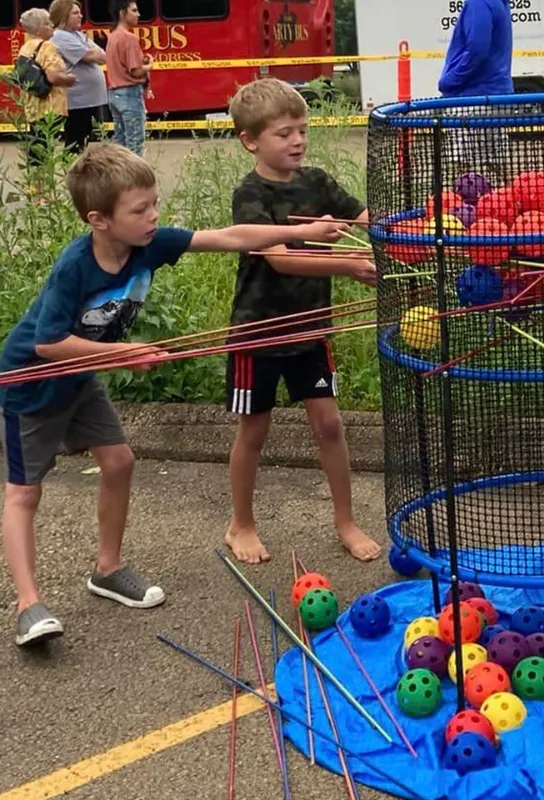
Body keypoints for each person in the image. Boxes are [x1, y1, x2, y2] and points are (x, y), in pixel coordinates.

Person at [0, 141, 352, 647]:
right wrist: (123, 353)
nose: (153, 216)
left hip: (80, 377)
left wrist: (301, 232)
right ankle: (28, 605)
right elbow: (48, 343)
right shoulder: (75, 266)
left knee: (119, 461)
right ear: (99, 220)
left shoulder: (150, 245)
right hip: (30, 383)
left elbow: (231, 236)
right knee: (24, 493)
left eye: (154, 204)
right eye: (139, 210)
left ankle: (107, 570)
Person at [223, 78, 381, 565]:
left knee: (330, 424)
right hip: (258, 333)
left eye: (302, 130)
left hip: (311, 329)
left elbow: (366, 217)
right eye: (284, 133)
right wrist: (350, 266)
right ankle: (240, 524)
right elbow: (280, 258)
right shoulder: (250, 194)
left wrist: (407, 229)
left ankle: (346, 521)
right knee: (254, 431)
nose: (297, 141)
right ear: (250, 141)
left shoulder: (316, 181)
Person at [438, 0, 514, 181]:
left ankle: (464, 200)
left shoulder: (479, 2)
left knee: (462, 168)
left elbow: (477, 49)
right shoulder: (497, 3)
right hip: (494, 94)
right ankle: (506, 196)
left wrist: (450, 80)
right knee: (496, 164)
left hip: (471, 97)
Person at [14, 7, 77, 194]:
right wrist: (69, 79)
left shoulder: (25, 48)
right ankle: (47, 195)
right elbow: (53, 76)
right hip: (50, 107)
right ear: (39, 28)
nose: (52, 27)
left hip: (33, 107)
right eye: (48, 23)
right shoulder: (48, 47)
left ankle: (37, 191)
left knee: (37, 153)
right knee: (47, 152)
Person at [50, 0, 109, 154]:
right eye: (75, 13)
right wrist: (90, 50)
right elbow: (90, 56)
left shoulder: (77, 35)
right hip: (78, 102)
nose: (81, 16)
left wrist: (92, 51)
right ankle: (71, 167)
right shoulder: (60, 37)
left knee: (85, 141)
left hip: (89, 100)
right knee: (76, 143)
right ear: (63, 16)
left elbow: (103, 56)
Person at [106, 0, 153, 157]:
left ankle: (117, 172)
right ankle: (133, 173)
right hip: (130, 94)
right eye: (134, 10)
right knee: (135, 145)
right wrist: (149, 65)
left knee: (120, 144)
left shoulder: (112, 36)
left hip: (114, 94)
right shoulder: (129, 38)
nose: (138, 14)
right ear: (122, 13)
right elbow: (136, 71)